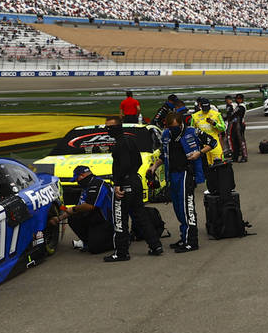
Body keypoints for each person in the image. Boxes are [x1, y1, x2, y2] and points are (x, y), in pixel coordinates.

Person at [104, 115, 163, 261]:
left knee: (120, 218)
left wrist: (118, 184)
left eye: (110, 127)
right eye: (106, 127)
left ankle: (121, 252)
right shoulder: (130, 140)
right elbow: (138, 161)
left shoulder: (120, 144)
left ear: (117, 127)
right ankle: (155, 245)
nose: (107, 130)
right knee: (140, 215)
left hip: (125, 184)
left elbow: (124, 165)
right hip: (135, 181)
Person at [152, 111, 206, 252]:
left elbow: (212, 142)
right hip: (172, 175)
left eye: (175, 127)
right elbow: (164, 155)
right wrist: (154, 167)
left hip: (186, 173)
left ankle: (191, 241)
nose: (173, 129)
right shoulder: (166, 135)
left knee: (187, 208)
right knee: (178, 208)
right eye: (170, 127)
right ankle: (184, 237)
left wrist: (199, 153)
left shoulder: (192, 132)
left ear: (181, 124)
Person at [63, 165, 113, 253]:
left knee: (95, 249)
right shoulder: (86, 187)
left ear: (82, 175)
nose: (77, 182)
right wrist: (58, 219)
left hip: (108, 221)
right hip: (95, 218)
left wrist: (73, 209)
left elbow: (90, 206)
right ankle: (87, 242)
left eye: (77, 179)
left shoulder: (97, 184)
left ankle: (118, 240)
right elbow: (78, 207)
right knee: (73, 218)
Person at [228, 93, 248, 162]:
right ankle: (235, 156)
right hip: (235, 125)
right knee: (234, 141)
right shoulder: (237, 106)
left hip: (240, 124)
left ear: (242, 99)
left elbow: (233, 114)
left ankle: (244, 156)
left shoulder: (242, 107)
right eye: (237, 98)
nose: (237, 100)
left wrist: (230, 116)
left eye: (239, 99)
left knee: (241, 141)